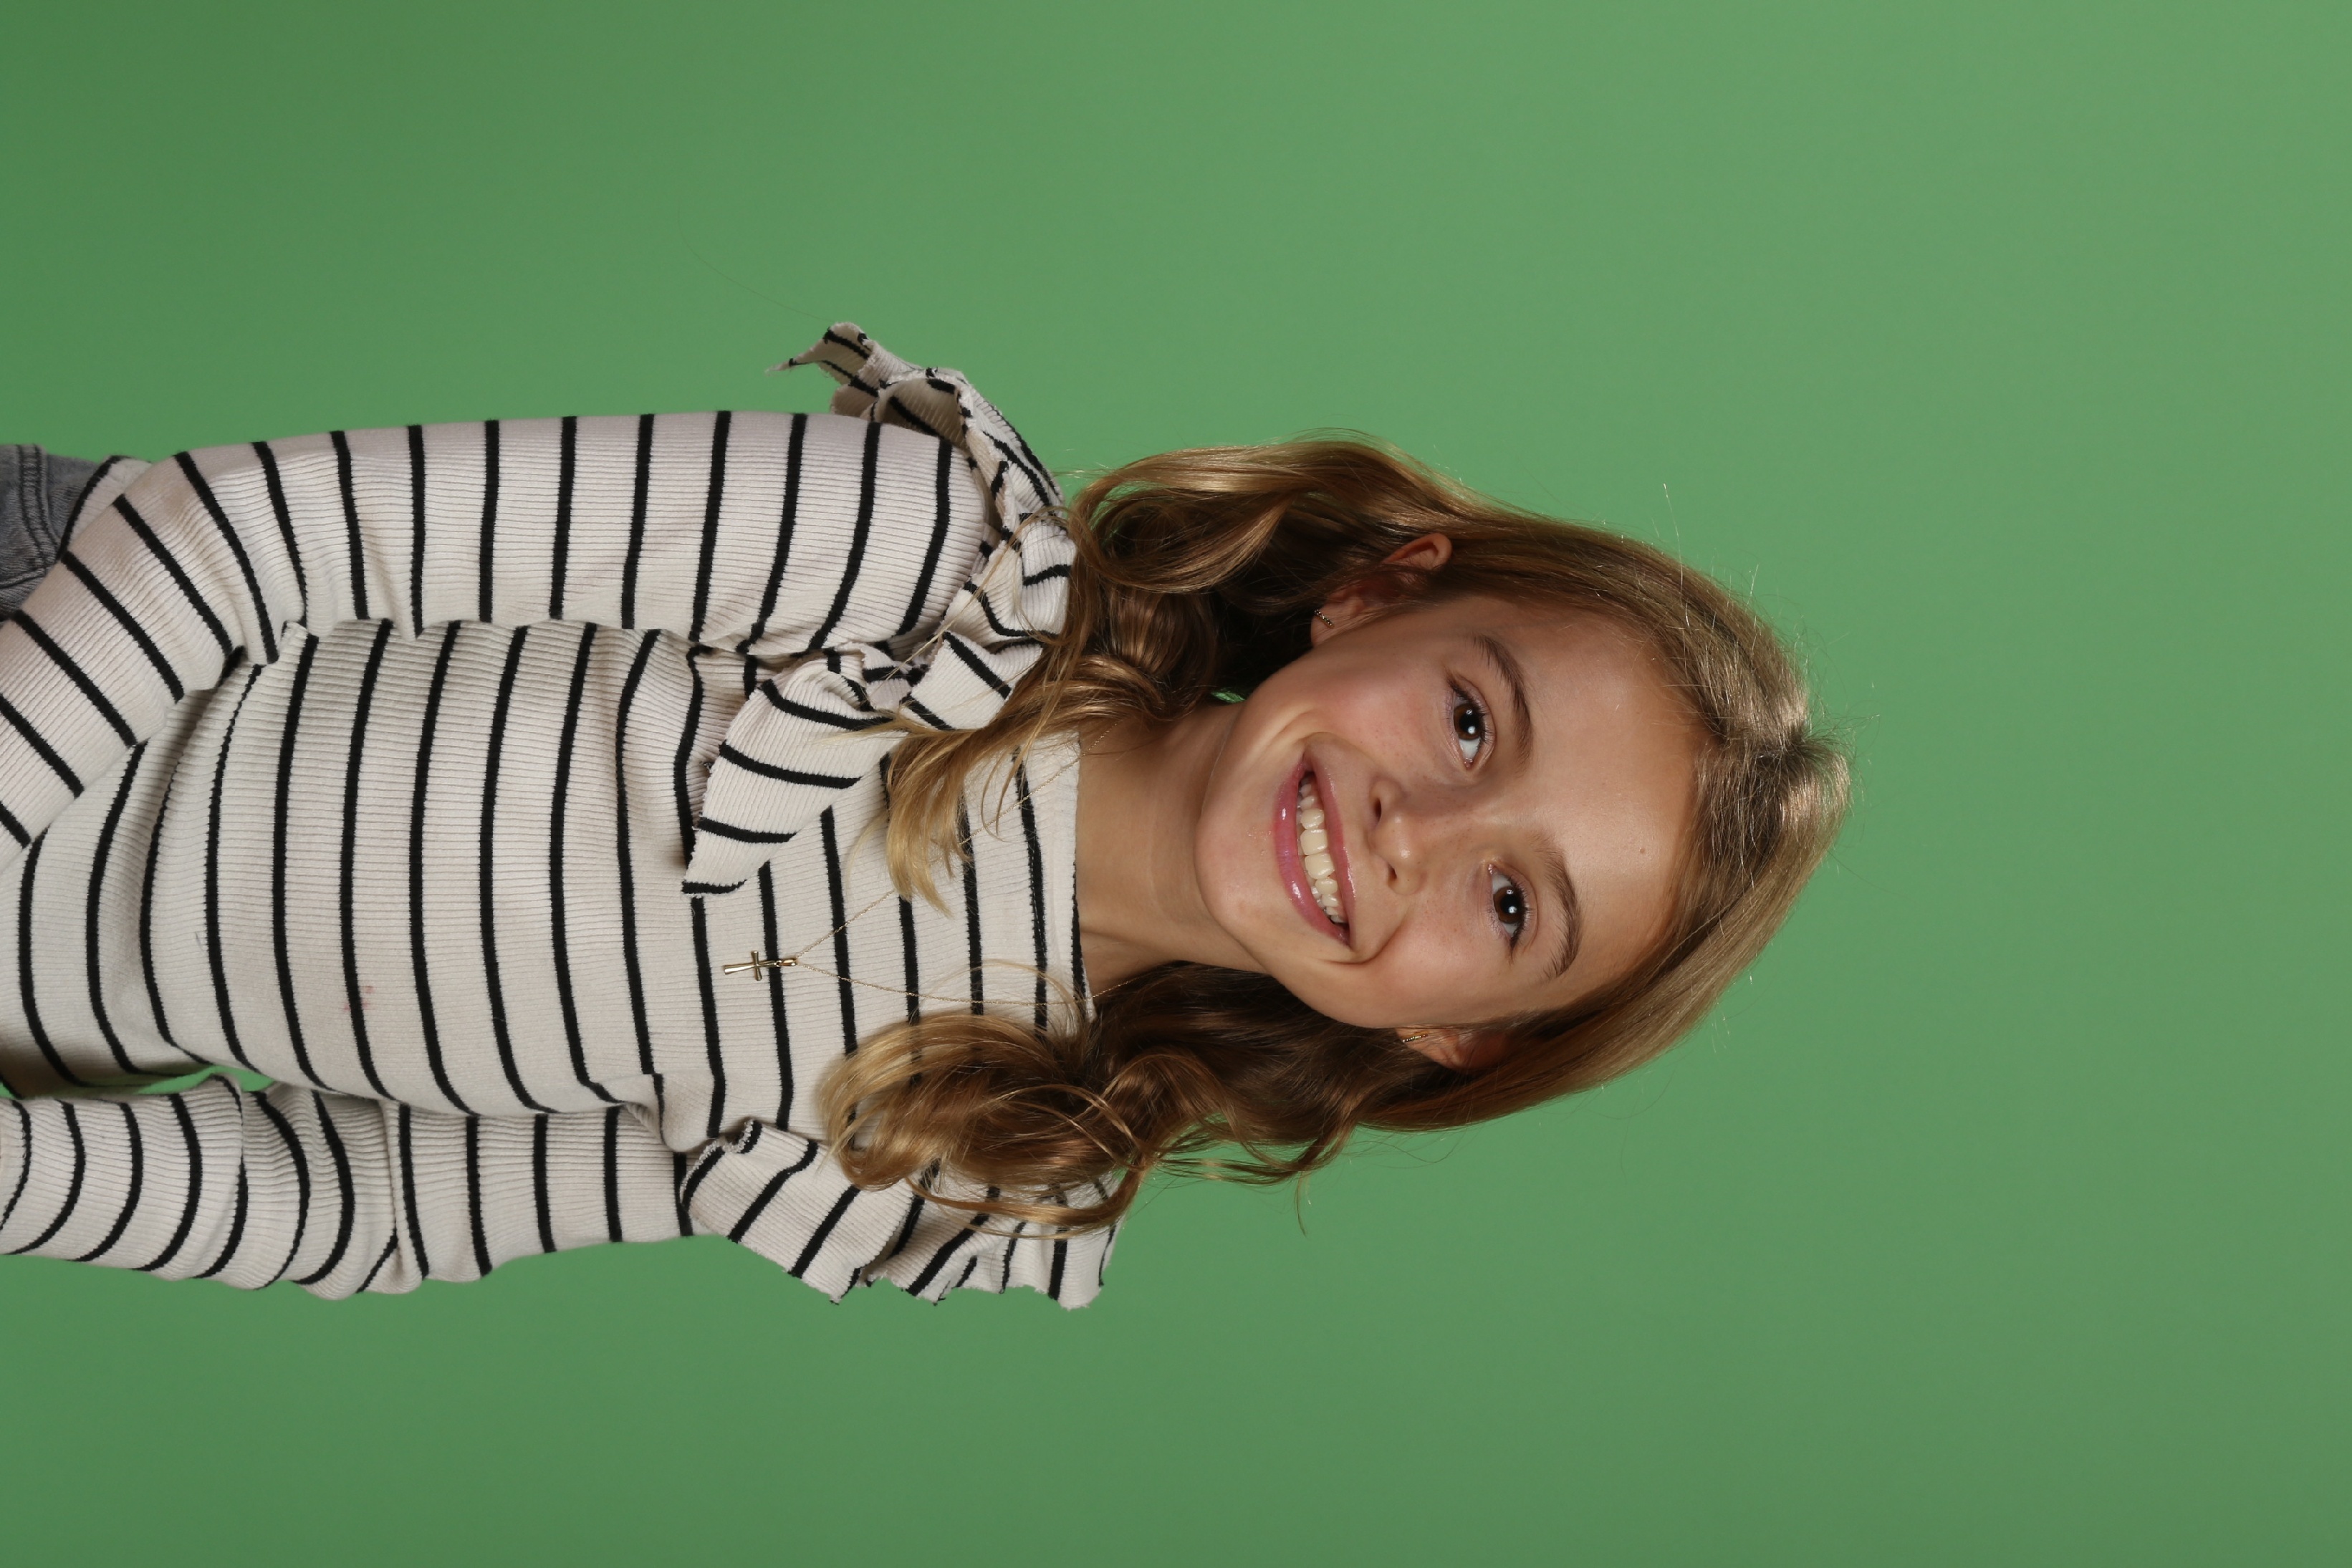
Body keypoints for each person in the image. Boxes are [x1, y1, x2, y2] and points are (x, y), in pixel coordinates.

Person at [0, 325, 1846, 1307]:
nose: (1413, 831)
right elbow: (247, 534)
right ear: (1378, 594)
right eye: (1470, 719)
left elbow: (363, 1204)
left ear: (1461, 1033)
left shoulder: (968, 1151)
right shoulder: (929, 566)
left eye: (1511, 907)